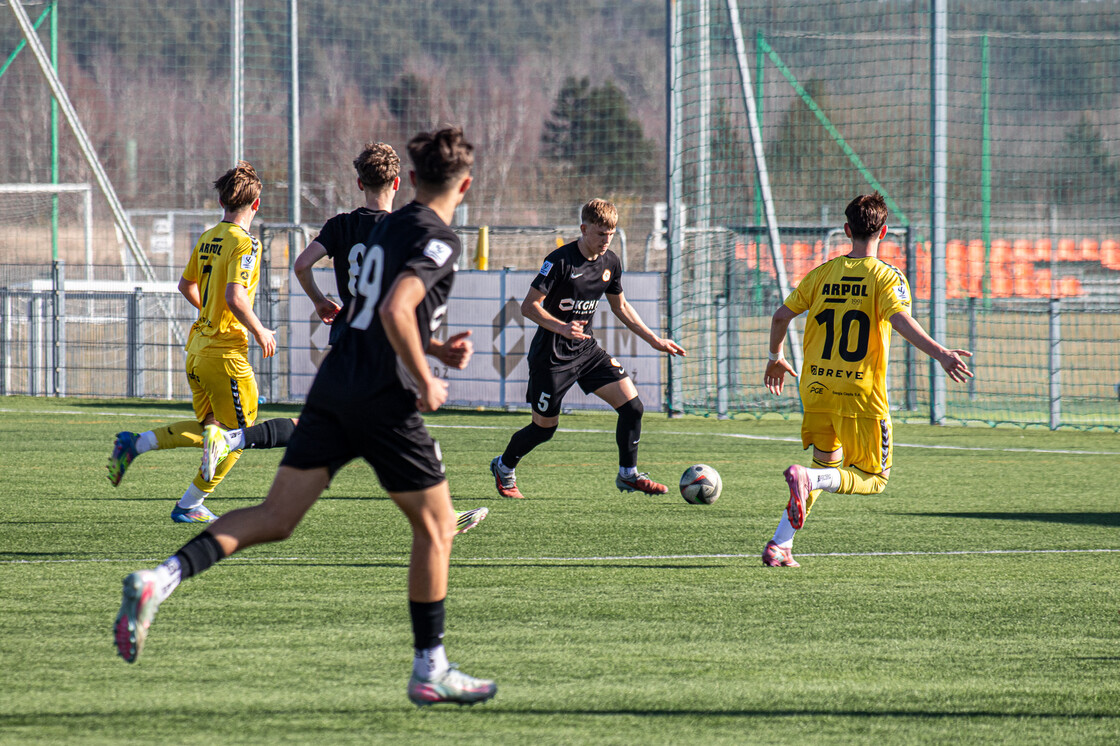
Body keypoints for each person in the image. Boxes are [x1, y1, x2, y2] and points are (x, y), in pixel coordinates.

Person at [114, 126, 497, 708]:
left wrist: (436, 349)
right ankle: (431, 668)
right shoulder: (438, 239)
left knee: (275, 515)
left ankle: (159, 581)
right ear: (464, 186)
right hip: (382, 398)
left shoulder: (384, 227)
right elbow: (397, 309)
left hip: (336, 383)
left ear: (412, 180)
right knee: (438, 527)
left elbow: (376, 311)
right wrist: (426, 377)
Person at [761, 192, 973, 567]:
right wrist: (941, 353)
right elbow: (900, 320)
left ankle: (780, 545)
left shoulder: (822, 273)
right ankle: (806, 483)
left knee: (825, 466)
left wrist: (776, 358)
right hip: (859, 395)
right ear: (884, 231)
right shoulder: (887, 276)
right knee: (874, 479)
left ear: (846, 230)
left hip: (815, 389)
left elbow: (781, 316)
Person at [290, 141, 486, 538]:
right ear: (399, 182)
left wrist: (320, 300)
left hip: (347, 336)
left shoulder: (341, 224)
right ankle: (440, 517)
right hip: (382, 352)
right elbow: (396, 308)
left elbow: (302, 264)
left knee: (321, 439)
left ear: (359, 181)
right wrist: (429, 365)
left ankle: (439, 514)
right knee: (394, 428)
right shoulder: (398, 230)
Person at [106, 161, 297, 524]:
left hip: (196, 349)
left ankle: (136, 443)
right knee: (240, 437)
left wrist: (211, 310)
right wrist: (260, 330)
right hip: (225, 353)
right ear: (256, 205)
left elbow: (186, 286)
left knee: (213, 430)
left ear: (223, 202)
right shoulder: (247, 244)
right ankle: (189, 505)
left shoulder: (208, 236)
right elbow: (236, 297)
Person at [488, 198, 686, 499]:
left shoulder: (611, 263)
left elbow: (620, 306)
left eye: (611, 233)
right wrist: (562, 327)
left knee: (633, 407)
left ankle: (628, 474)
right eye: (600, 233)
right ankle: (504, 466)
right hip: (551, 356)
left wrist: (654, 340)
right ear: (583, 229)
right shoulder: (559, 261)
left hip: (586, 351)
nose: (606, 240)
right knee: (544, 429)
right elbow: (529, 307)